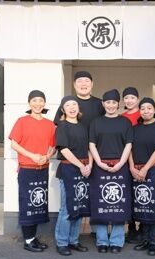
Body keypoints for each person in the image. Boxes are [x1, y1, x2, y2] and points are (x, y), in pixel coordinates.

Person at [54, 70, 104, 237]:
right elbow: (59, 134)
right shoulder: (69, 103)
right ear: (74, 85)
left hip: (94, 158)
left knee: (92, 198)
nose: (83, 84)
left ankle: (95, 232)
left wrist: (90, 162)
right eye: (80, 81)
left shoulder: (99, 104)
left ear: (92, 84)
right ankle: (63, 240)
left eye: (87, 81)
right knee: (70, 204)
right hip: (73, 162)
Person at [9, 90, 56, 252]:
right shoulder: (22, 121)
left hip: (42, 168)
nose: (37, 104)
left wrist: (46, 156)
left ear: (44, 103)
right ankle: (28, 240)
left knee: (38, 203)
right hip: (27, 169)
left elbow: (53, 146)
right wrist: (33, 156)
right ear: (29, 103)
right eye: (34, 100)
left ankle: (32, 238)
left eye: (41, 100)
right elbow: (14, 144)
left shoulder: (49, 124)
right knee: (27, 203)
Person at [89, 89, 133, 254]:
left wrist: (121, 163)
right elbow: (91, 144)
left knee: (118, 204)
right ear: (103, 104)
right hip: (100, 167)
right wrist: (99, 162)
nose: (111, 105)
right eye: (108, 102)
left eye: (114, 102)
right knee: (101, 203)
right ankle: (102, 240)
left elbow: (129, 144)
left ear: (118, 104)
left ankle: (116, 240)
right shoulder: (96, 122)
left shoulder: (125, 122)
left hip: (120, 167)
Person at [129, 97, 155, 256]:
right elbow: (129, 149)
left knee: (154, 204)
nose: (146, 111)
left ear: (154, 109)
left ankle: (154, 242)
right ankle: (144, 239)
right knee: (141, 204)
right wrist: (132, 167)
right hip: (136, 171)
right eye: (143, 108)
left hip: (153, 170)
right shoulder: (134, 129)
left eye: (149, 108)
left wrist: (145, 169)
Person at [54, 96, 93, 256]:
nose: (72, 107)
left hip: (84, 169)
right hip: (70, 169)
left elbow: (89, 148)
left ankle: (73, 240)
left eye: (74, 104)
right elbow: (64, 150)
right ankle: (62, 242)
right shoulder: (62, 126)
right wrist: (81, 165)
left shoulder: (84, 127)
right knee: (67, 208)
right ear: (63, 110)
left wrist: (90, 164)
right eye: (68, 105)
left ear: (78, 108)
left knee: (80, 206)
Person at [121, 87, 142, 244]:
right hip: (126, 160)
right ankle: (132, 228)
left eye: (132, 98)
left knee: (142, 195)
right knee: (128, 195)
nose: (129, 100)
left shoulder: (144, 114)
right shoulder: (121, 117)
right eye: (126, 98)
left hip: (143, 159)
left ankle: (144, 227)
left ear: (138, 99)